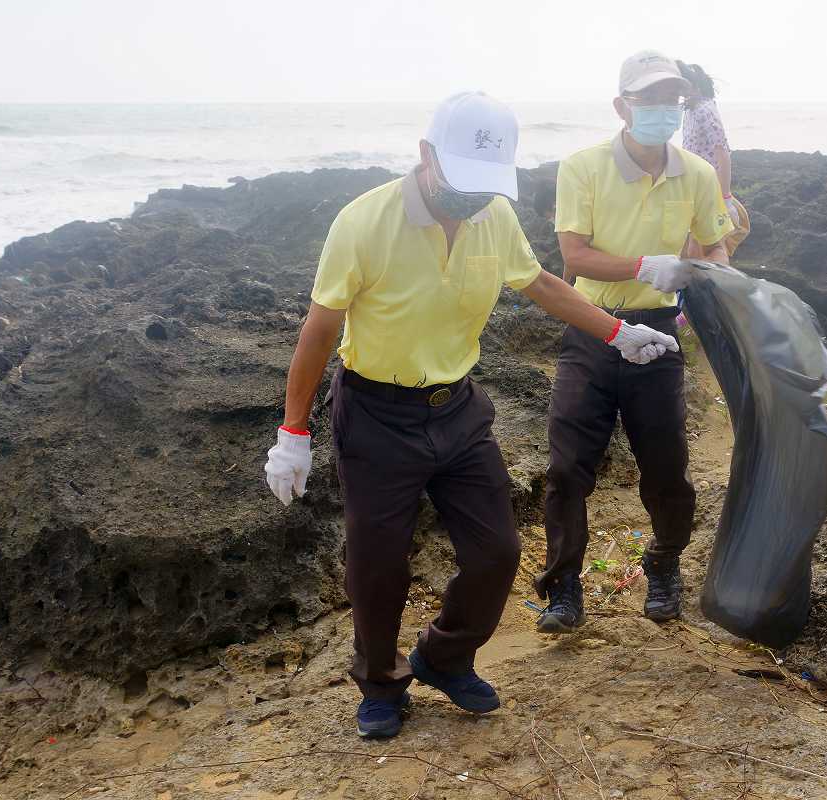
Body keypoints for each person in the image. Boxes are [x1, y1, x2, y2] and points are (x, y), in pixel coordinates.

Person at [262, 91, 679, 740]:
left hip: (457, 410)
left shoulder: (493, 218)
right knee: (377, 568)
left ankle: (443, 657)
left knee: (497, 552)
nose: (473, 198)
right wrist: (293, 433)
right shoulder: (363, 222)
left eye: (487, 186)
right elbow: (320, 329)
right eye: (463, 181)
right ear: (426, 155)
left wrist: (616, 332)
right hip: (375, 413)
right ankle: (380, 683)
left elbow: (539, 282)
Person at [534, 50, 734, 634]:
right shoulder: (582, 167)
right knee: (568, 469)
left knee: (667, 467)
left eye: (671, 99)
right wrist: (648, 264)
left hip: (660, 338)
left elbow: (714, 244)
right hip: (593, 329)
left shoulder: (695, 174)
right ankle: (564, 587)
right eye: (648, 99)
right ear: (622, 106)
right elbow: (574, 256)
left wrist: (705, 271)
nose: (661, 110)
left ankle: (664, 563)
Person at [677, 60, 751, 258]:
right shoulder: (691, 110)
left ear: (696, 86)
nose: (681, 92)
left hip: (710, 188)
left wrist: (725, 198)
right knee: (693, 240)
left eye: (684, 86)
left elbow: (722, 154)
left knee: (704, 243)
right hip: (694, 184)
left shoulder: (705, 110)